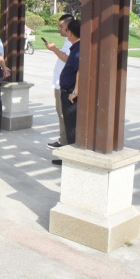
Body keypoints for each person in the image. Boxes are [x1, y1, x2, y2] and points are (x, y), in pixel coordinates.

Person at [53, 19, 81, 166]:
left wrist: (75, 91)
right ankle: (69, 157)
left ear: (70, 32)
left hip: (71, 94)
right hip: (67, 91)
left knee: (72, 128)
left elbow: (80, 70)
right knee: (69, 125)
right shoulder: (75, 46)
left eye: (65, 28)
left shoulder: (79, 48)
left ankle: (72, 160)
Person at [44, 14, 74, 149]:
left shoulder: (75, 42)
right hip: (59, 82)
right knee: (61, 113)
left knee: (64, 114)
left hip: (65, 85)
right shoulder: (68, 40)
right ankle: (63, 140)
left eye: (61, 26)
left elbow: (68, 59)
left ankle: (65, 143)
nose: (59, 29)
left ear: (69, 27)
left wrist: (54, 49)